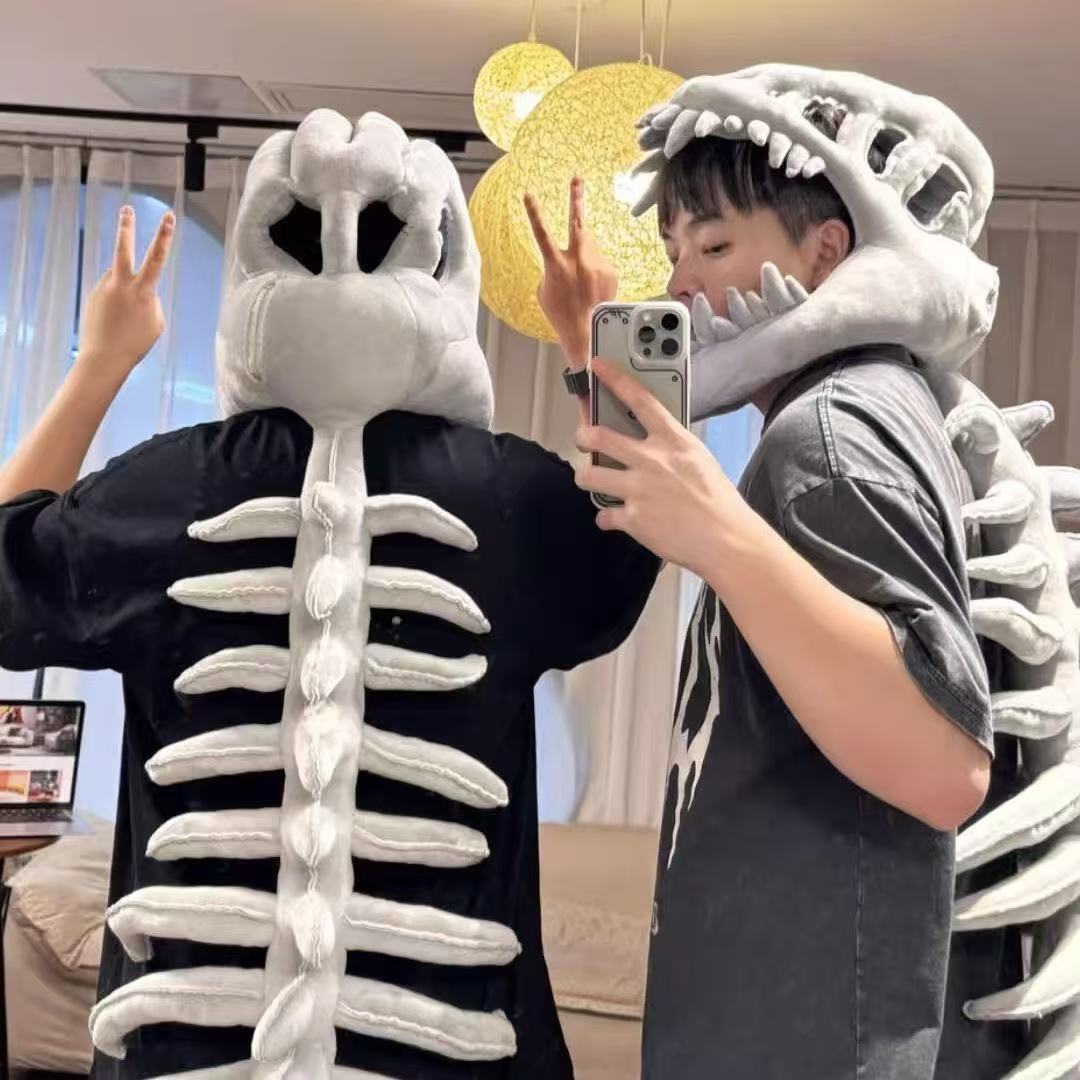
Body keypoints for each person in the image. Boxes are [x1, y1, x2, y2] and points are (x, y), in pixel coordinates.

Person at [0, 130, 657, 1077]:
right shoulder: (514, 498)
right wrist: (595, 342)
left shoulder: (167, 489)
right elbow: (643, 531)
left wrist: (102, 362)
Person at [526, 95, 994, 1077]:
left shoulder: (830, 436)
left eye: (714, 246)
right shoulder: (846, 416)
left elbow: (944, 764)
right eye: (674, 253)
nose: (678, 284)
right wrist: (587, 355)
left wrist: (723, 537)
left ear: (826, 253)